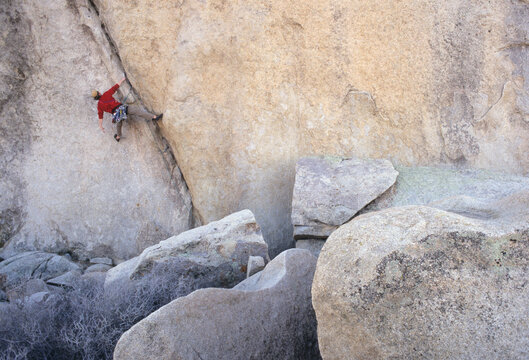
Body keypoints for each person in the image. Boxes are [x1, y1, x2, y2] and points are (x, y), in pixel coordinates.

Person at [92, 77, 163, 142]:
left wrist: (100, 126)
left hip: (117, 115)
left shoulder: (99, 106)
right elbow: (115, 87)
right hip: (123, 109)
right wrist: (122, 80)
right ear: (99, 93)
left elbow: (100, 116)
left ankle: (118, 137)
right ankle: (154, 117)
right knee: (137, 111)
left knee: (119, 124)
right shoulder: (106, 94)